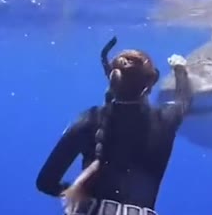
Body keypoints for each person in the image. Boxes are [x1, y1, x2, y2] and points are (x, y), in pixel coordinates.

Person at [36, 36, 192, 215]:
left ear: (111, 79)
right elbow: (184, 99)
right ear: (151, 83)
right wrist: (180, 69)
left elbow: (45, 183)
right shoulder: (165, 120)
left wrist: (76, 192)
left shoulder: (88, 120)